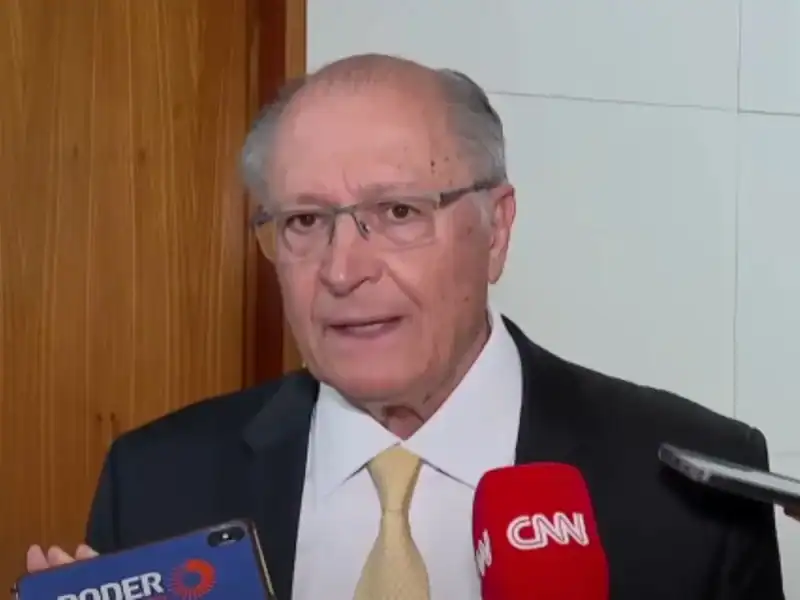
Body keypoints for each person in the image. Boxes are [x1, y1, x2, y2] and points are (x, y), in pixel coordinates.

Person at [26, 54, 784, 600]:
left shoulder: (691, 493)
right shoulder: (156, 483)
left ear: (496, 229)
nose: (342, 269)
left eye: (397, 212)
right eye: (304, 221)